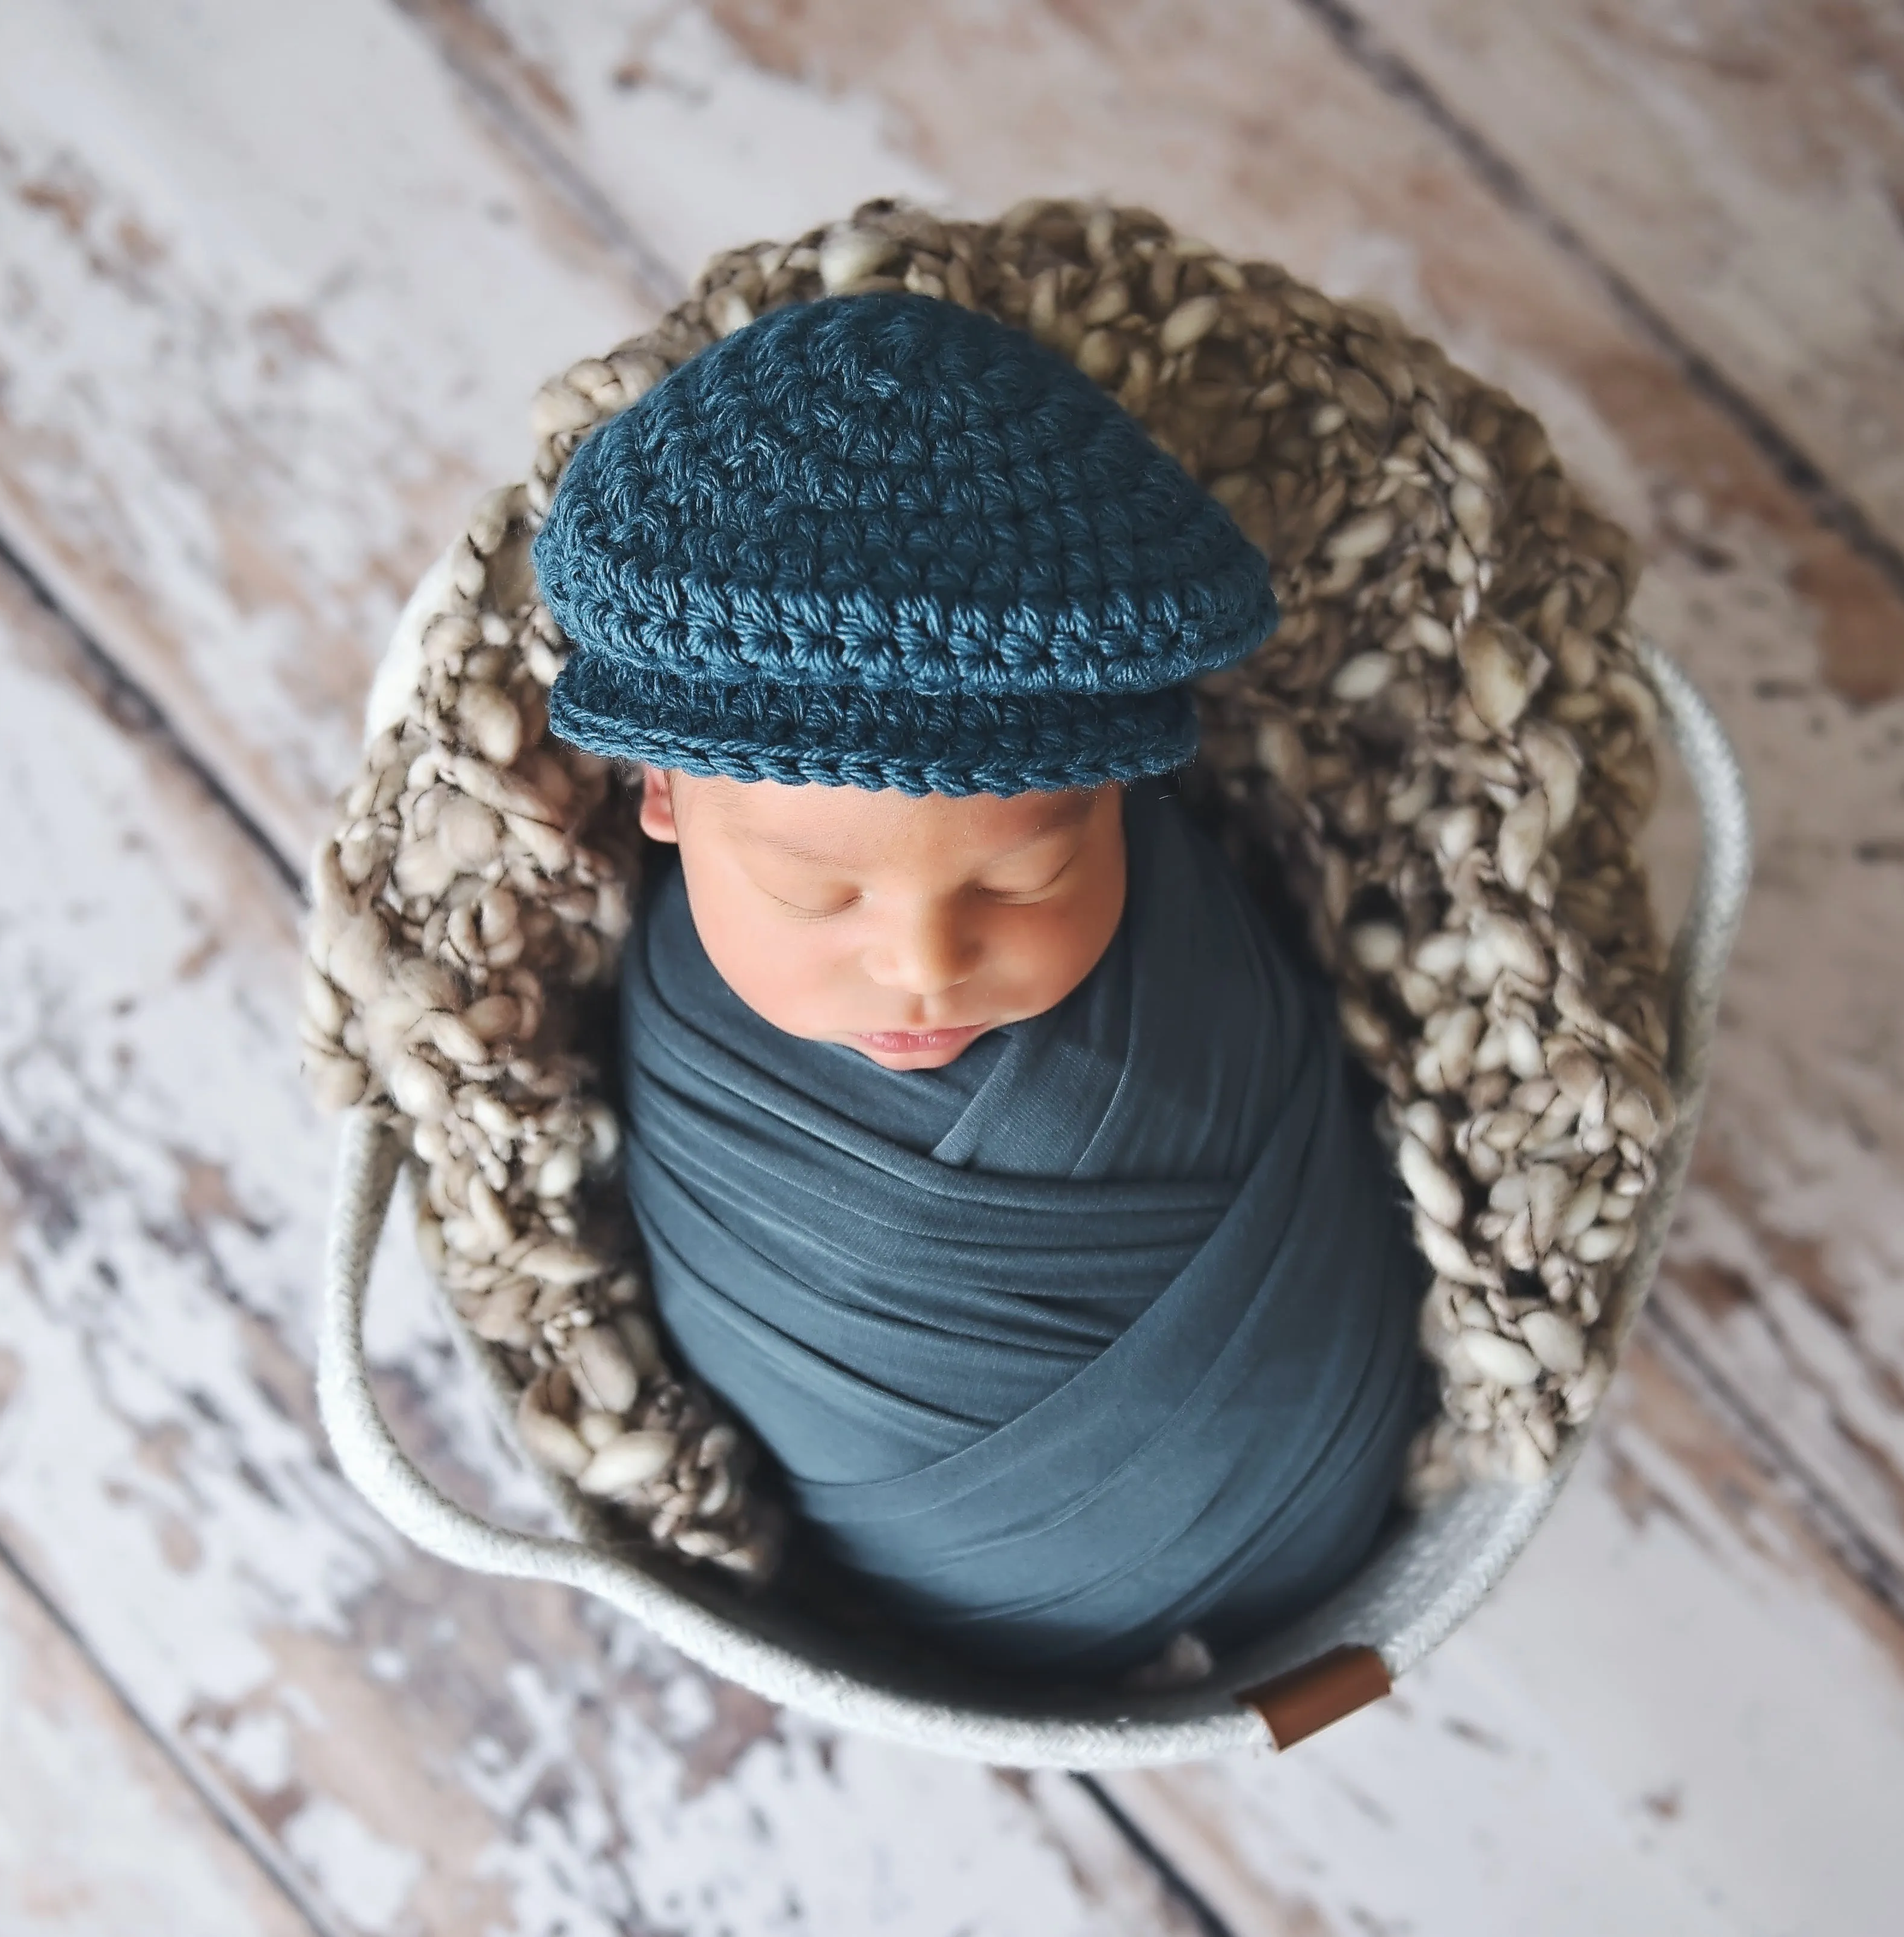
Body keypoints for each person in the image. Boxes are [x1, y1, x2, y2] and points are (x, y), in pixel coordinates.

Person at [535, 292, 1423, 1680]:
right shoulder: (659, 1028)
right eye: (815, 892)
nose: (925, 965)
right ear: (658, 792)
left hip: (1337, 1503)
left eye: (1021, 878)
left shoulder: (1197, 945)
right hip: (943, 1604)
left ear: (1130, 791)